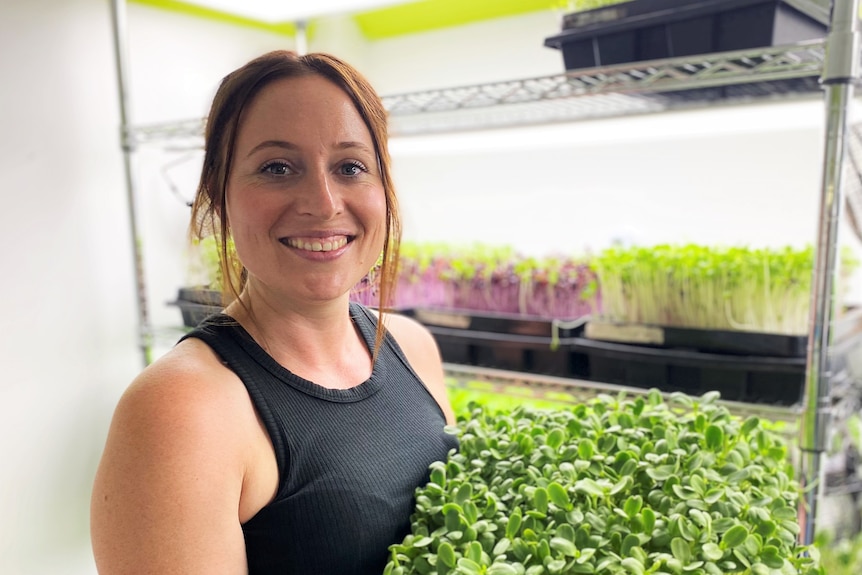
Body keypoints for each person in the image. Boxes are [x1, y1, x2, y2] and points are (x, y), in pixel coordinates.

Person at [90, 50, 458, 575]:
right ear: (219, 197)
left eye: (350, 166)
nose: (324, 202)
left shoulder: (411, 346)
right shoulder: (181, 409)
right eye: (277, 168)